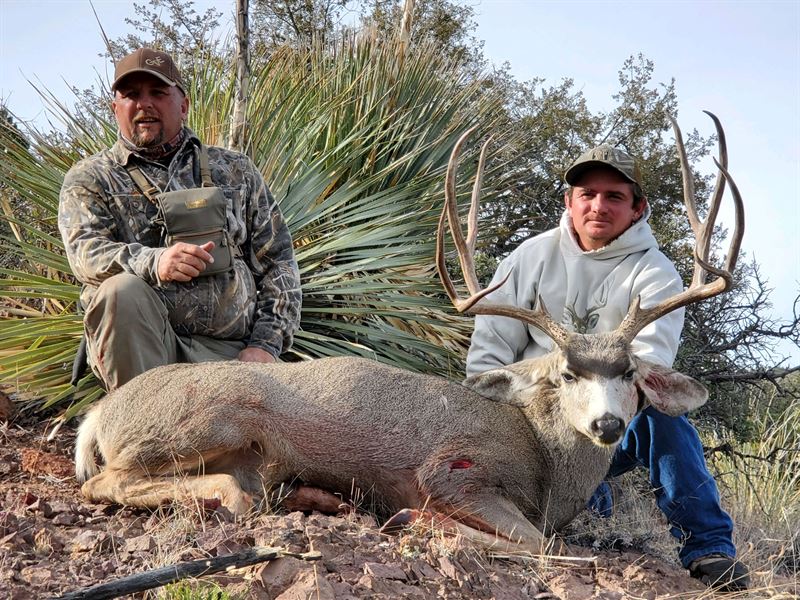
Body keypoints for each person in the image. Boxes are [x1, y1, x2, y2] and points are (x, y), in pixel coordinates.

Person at [466, 144, 749, 591]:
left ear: (638, 208)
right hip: (534, 418)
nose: (599, 206)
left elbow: (648, 363)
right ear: (569, 201)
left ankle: (709, 549)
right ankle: (579, 512)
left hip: (614, 414)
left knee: (665, 423)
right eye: (588, 194)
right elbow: (488, 358)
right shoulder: (529, 258)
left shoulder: (655, 272)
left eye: (615, 196)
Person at [58, 48, 301, 391]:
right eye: (131, 95)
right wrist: (154, 262)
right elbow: (85, 252)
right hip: (144, 356)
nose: (144, 104)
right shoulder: (91, 178)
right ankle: (142, 424)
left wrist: (265, 346)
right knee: (119, 291)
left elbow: (278, 261)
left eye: (158, 93)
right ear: (115, 109)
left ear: (183, 104)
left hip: (233, 354)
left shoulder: (234, 170)